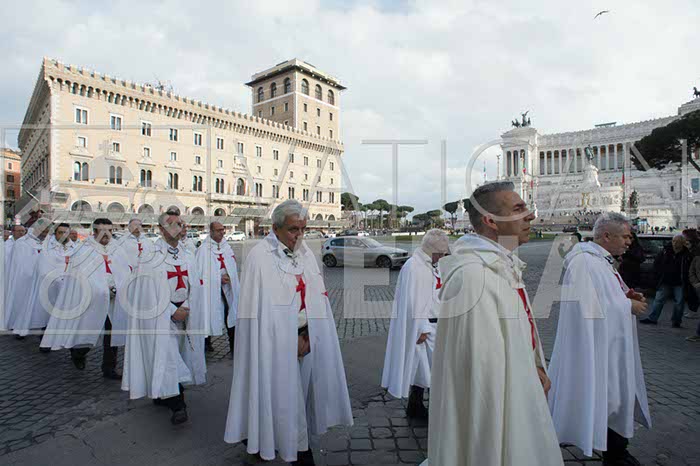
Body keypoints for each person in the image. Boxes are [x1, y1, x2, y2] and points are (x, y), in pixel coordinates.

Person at [422, 182, 563, 466]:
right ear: (491, 221)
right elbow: (482, 377)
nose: (530, 215)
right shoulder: (474, 276)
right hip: (501, 411)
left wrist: (534, 366)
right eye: (518, 208)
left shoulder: (500, 265)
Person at [224, 200, 352, 466]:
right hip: (275, 346)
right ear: (276, 228)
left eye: (303, 229)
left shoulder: (306, 254)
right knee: (283, 400)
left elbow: (317, 296)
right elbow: (259, 312)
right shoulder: (260, 257)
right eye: (294, 229)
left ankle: (274, 441)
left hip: (307, 338)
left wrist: (311, 334)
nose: (299, 235)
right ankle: (296, 454)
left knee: (301, 401)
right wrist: (287, 341)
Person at [548, 213, 651, 466]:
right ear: (606, 236)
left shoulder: (600, 261)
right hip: (598, 347)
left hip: (611, 344)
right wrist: (626, 306)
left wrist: (626, 296)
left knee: (615, 397)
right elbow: (587, 303)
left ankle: (617, 450)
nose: (629, 242)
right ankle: (615, 453)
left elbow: (605, 294)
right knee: (609, 397)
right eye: (625, 237)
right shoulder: (584, 261)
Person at [121, 211, 207, 425]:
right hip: (160, 315)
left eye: (180, 223)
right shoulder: (149, 256)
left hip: (185, 311)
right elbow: (146, 292)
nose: (177, 227)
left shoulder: (188, 254)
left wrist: (186, 306)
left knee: (181, 354)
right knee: (167, 356)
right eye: (171, 224)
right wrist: (170, 311)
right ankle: (178, 405)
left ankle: (161, 393)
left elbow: (195, 285)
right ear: (161, 229)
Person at [40, 218, 130, 379]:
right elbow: (80, 278)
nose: (107, 234)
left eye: (110, 231)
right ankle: (78, 352)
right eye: (102, 231)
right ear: (94, 232)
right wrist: (100, 289)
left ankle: (109, 368)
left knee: (112, 332)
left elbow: (124, 273)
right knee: (88, 330)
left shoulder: (117, 250)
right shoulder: (83, 251)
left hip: (113, 300)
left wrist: (119, 287)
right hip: (91, 300)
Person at [381, 229, 450, 419]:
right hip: (426, 328)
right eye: (441, 253)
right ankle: (423, 408)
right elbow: (413, 301)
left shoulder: (430, 264)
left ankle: (416, 406)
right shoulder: (414, 267)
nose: (442, 257)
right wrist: (421, 328)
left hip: (436, 325)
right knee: (429, 370)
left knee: (425, 369)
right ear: (432, 250)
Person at [13, 223, 75, 339]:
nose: (63, 235)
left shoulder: (74, 248)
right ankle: (25, 328)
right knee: (39, 309)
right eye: (60, 232)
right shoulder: (47, 247)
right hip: (48, 283)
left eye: (65, 232)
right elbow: (43, 267)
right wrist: (56, 277)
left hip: (65, 283)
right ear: (55, 234)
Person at [195, 221, 239, 355]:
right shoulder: (203, 250)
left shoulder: (226, 247)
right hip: (211, 290)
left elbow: (232, 265)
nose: (222, 232)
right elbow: (201, 273)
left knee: (231, 314)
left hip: (228, 289)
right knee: (209, 312)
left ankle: (234, 345)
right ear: (211, 232)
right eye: (219, 230)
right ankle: (206, 343)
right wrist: (218, 279)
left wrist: (230, 276)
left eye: (223, 229)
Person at [5, 220, 50, 334]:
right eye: (44, 230)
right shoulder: (22, 243)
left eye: (47, 230)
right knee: (22, 303)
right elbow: (20, 265)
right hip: (24, 280)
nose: (46, 233)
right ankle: (18, 326)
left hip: (41, 279)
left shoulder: (47, 242)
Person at [640, 234, 691, 328]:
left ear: (682, 243)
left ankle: (676, 321)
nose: (675, 243)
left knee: (679, 302)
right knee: (658, 300)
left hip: (679, 282)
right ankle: (653, 318)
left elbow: (689, 268)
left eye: (678, 242)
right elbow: (657, 264)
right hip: (665, 280)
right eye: (674, 241)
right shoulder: (665, 251)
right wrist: (657, 276)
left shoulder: (686, 254)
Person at [682, 229, 700, 319]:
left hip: (694, 276)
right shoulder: (690, 247)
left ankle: (694, 311)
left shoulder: (696, 249)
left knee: (693, 294)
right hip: (689, 274)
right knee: (691, 294)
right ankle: (693, 310)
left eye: (684, 236)